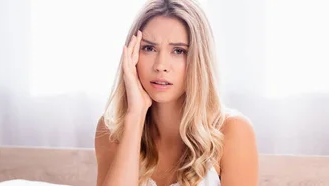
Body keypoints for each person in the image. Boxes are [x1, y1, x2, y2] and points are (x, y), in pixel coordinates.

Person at [95, 0, 258, 185]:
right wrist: (135, 115)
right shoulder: (110, 130)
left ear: (199, 59)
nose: (160, 66)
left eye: (179, 51)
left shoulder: (233, 131)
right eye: (149, 48)